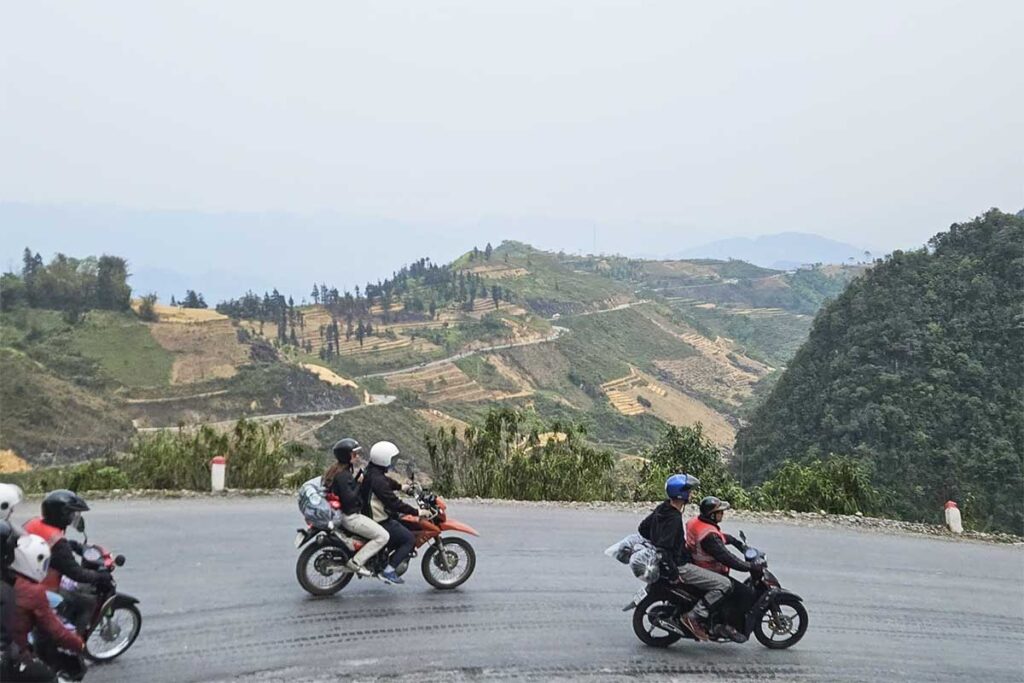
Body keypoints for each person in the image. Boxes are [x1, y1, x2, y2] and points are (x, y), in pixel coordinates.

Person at [23, 490, 112, 632]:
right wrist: (100, 576)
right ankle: (71, 643)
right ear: (62, 515)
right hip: (42, 585)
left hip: (24, 578)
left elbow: (44, 543)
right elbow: (77, 573)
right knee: (85, 603)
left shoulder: (34, 523)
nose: (73, 518)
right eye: (71, 514)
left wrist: (72, 545)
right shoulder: (58, 543)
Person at [9, 533, 83, 678]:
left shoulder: (8, 577)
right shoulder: (33, 591)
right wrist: (79, 644)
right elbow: (56, 630)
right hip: (12, 654)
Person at [359, 441, 429, 585]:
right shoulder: (378, 480)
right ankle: (388, 571)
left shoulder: (372, 471)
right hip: (378, 519)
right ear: (384, 459)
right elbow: (394, 503)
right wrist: (417, 511)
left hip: (369, 514)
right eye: (392, 459)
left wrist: (401, 487)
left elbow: (386, 481)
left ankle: (382, 557)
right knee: (409, 539)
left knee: (400, 522)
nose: (393, 462)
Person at [683, 496, 751, 642]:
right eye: (720, 512)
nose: (722, 514)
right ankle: (719, 623)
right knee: (742, 592)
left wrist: (735, 542)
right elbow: (726, 557)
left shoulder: (695, 522)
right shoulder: (709, 536)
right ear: (712, 515)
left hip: (696, 565)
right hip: (708, 570)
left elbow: (717, 538)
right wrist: (748, 566)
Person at [322, 438, 389, 577]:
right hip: (351, 517)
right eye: (354, 454)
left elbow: (346, 490)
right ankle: (357, 562)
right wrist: (359, 484)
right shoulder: (343, 475)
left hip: (342, 515)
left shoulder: (338, 471)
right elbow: (350, 499)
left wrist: (356, 480)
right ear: (346, 456)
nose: (357, 456)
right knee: (383, 536)